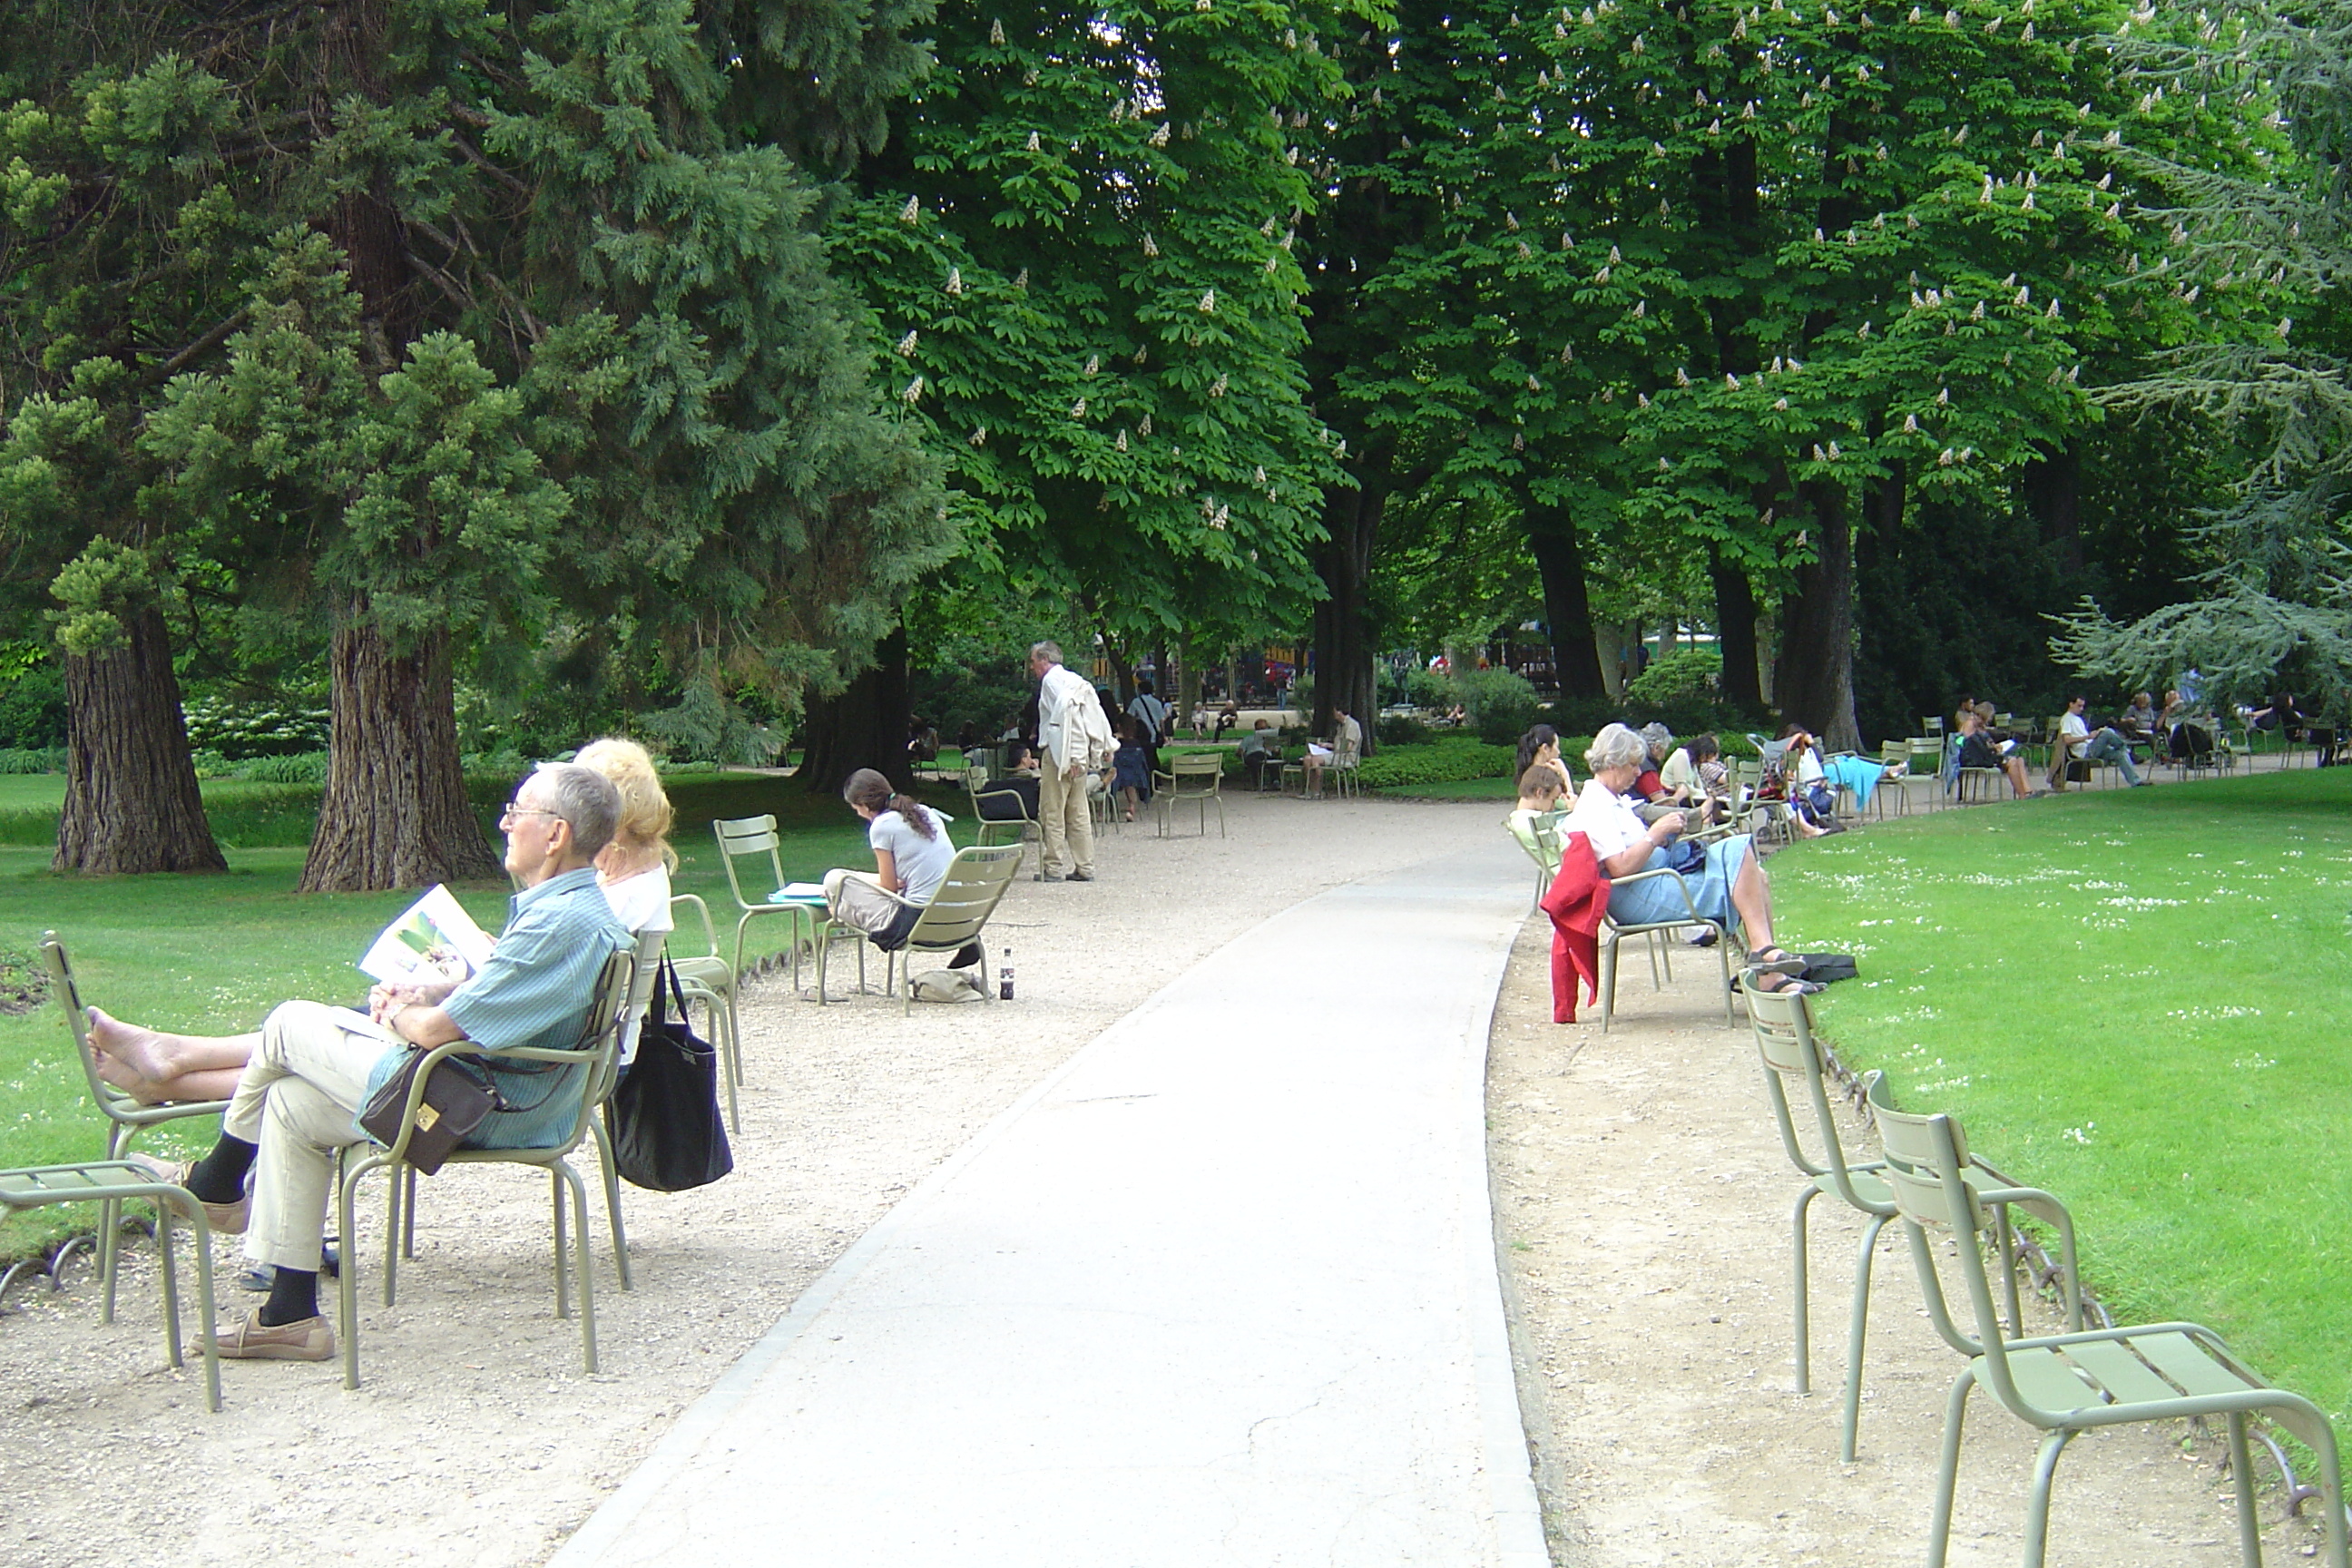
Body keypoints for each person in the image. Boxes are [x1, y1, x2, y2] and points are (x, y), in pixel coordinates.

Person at [114, 762, 632, 1361]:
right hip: (496, 1092)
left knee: (287, 1022)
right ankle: (289, 1315)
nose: (505, 823)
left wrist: (396, 1012)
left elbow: (437, 1033)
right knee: (292, 1105)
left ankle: (216, 1182)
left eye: (518, 813)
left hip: (478, 1107)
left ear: (556, 834)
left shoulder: (559, 923)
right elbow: (495, 1007)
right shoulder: (571, 912)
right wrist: (430, 993)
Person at [87, 746, 671, 1104]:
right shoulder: (585, 898)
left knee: (297, 1029)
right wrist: (455, 975)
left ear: (568, 825)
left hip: (498, 1079)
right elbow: (531, 981)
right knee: (300, 1083)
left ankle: (181, 1099)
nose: (505, 822)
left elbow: (476, 1016)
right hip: (507, 1058)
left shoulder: (585, 910)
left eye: (522, 811)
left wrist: (407, 1007)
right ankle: (174, 1076)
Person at [1562, 725, 1815, 995]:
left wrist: (1663, 833)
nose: (1638, 772)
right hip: (1636, 893)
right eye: (1634, 765)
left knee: (1751, 870)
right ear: (1614, 763)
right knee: (1741, 855)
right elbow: (1620, 868)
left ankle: (1766, 965)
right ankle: (1765, 960)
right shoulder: (1596, 806)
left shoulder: (1607, 800)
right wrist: (1656, 834)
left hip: (1651, 881)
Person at [575, 738, 679, 1064]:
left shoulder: (627, 898)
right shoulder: (634, 875)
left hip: (582, 1058)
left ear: (613, 823)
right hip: (600, 1047)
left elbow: (560, 986)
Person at [822, 768, 960, 955]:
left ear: (864, 804)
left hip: (920, 923)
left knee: (834, 879)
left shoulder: (882, 826)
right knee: (844, 881)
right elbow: (899, 882)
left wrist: (852, 877)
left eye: (856, 809)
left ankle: (841, 909)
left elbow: (889, 887)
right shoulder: (924, 812)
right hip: (959, 919)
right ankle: (841, 907)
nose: (858, 814)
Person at [1031, 640, 1115, 882]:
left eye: (1034, 661)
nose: (1032, 667)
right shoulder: (1077, 681)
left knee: (1053, 810)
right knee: (1078, 811)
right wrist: (1104, 745)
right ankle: (1084, 866)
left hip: (1061, 755)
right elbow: (1094, 714)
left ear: (1045, 660)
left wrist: (1074, 757)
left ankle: (1053, 867)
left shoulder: (1051, 682)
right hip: (1077, 755)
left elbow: (1070, 721)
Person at [2050, 695, 2147, 789]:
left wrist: (2094, 735)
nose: (2082, 709)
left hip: (2091, 745)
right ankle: (2126, 748)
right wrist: (2088, 736)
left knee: (2120, 754)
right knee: (2107, 732)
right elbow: (2067, 740)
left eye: (2083, 706)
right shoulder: (2066, 719)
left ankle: (2135, 781)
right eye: (2079, 706)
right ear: (2071, 704)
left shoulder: (2078, 719)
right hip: (2085, 751)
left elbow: (2084, 736)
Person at [1954, 709, 2034, 799]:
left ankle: (2028, 791)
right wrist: (1993, 748)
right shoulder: (1970, 726)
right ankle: (2022, 795)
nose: (1990, 720)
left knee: (2019, 760)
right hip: (1976, 759)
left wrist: (1993, 747)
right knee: (2012, 762)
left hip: (1985, 756)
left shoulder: (1979, 728)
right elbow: (1967, 744)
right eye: (1990, 717)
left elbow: (1984, 745)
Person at [974, 740, 1042, 823]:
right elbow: (1042, 781)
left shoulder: (1008, 776)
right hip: (1025, 810)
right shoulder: (1030, 778)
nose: (1031, 760)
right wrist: (1037, 769)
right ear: (1024, 760)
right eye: (1030, 757)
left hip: (1005, 807)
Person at [1110, 717, 1153, 821]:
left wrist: (1115, 739)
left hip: (1118, 774)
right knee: (1130, 784)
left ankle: (1103, 812)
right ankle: (1132, 807)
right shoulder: (1136, 743)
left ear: (1119, 726)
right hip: (1134, 773)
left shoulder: (1116, 741)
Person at [1126, 679, 1170, 779]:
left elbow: (1130, 716)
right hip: (1155, 733)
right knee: (1152, 755)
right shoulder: (1157, 702)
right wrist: (1163, 735)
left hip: (1143, 734)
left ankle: (1146, 777)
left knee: (1144, 757)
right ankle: (1156, 777)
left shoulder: (1136, 702)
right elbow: (1161, 720)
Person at [1516, 724, 1575, 796]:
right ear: (1545, 748)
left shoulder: (1527, 777)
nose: (1559, 752)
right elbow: (1570, 803)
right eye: (1557, 747)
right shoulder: (1544, 781)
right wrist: (1565, 775)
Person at [1238, 718, 1282, 789]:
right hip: (1252, 754)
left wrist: (1273, 749)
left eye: (1264, 729)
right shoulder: (1249, 738)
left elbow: (1277, 750)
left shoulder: (1270, 739)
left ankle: (1275, 782)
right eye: (1260, 729)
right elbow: (1240, 751)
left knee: (1274, 762)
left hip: (1266, 754)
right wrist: (1241, 752)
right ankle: (1259, 784)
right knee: (1254, 762)